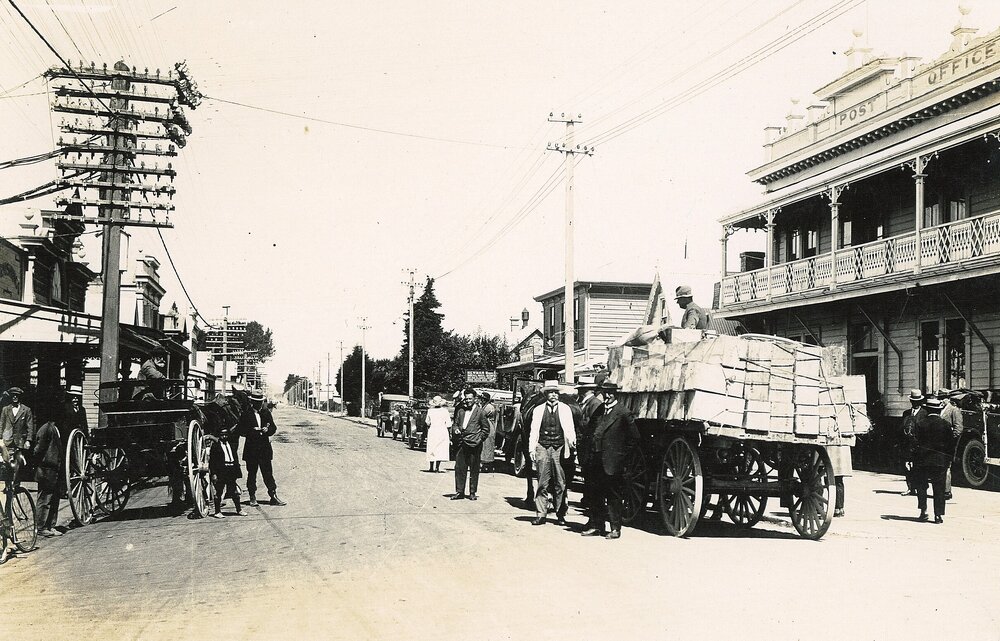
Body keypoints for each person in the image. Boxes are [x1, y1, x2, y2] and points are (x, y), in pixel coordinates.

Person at [584, 381, 638, 539]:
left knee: (613, 496)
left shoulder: (623, 413)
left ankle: (615, 528)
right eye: (605, 393)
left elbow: (634, 439)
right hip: (596, 460)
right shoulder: (599, 410)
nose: (607, 396)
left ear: (616, 394)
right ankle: (597, 525)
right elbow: (591, 432)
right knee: (595, 493)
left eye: (610, 393)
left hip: (613, 463)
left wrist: (621, 458)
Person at [528, 380, 576, 526]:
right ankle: (541, 514)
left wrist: (572, 442)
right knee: (542, 482)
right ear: (546, 394)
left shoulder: (565, 409)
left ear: (559, 394)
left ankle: (560, 514)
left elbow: (570, 428)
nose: (553, 395)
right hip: (543, 446)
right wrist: (532, 448)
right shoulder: (538, 410)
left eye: (555, 392)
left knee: (560, 483)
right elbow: (534, 430)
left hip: (559, 447)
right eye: (550, 392)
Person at [238, 389, 286, 507]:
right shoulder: (246, 414)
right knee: (252, 474)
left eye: (260, 401)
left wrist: (267, 430)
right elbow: (241, 431)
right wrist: (252, 431)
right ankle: (252, 497)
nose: (259, 404)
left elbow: (273, 428)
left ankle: (273, 496)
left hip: (264, 449)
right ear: (252, 402)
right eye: (256, 402)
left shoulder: (266, 413)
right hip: (251, 449)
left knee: (268, 473)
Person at [913, 397, 956, 524]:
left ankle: (923, 512)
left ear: (927, 409)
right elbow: (950, 445)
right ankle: (938, 515)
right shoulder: (946, 425)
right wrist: (948, 460)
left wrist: (914, 459)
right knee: (939, 488)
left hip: (922, 461)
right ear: (938, 410)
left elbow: (916, 443)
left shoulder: (920, 424)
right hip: (939, 462)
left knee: (922, 487)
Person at [576, 376, 604, 530]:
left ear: (584, 390)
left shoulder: (595, 404)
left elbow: (593, 429)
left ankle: (595, 522)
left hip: (591, 451)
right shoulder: (587, 403)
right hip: (585, 450)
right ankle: (592, 520)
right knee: (588, 484)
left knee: (592, 486)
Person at [451, 388, 489, 500]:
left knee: (474, 468)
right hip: (461, 443)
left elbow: (486, 429)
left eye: (470, 399)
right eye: (466, 399)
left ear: (475, 399)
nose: (468, 401)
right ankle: (459, 492)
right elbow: (455, 424)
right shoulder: (461, 411)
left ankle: (472, 492)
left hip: (474, 444)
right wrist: (456, 429)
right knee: (459, 468)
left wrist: (479, 439)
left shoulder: (480, 412)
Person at [32, 419, 63, 537]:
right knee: (45, 499)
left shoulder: (57, 428)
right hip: (46, 469)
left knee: (54, 498)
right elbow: (38, 449)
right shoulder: (46, 428)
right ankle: (41, 527)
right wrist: (39, 464)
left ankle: (51, 525)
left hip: (55, 469)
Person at [208, 425, 246, 518]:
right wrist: (213, 474)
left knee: (234, 491)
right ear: (219, 436)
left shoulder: (231, 445)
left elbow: (235, 458)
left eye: (226, 435)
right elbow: (212, 462)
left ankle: (239, 509)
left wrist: (237, 471)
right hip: (222, 470)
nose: (224, 437)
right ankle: (217, 512)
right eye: (222, 435)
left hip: (231, 470)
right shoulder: (216, 447)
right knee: (219, 491)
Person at [1, 387, 35, 481]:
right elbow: (1, 424)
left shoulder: (26, 410)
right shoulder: (5, 409)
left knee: (18, 464)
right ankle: (8, 484)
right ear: (10, 397)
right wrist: (0, 438)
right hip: (7, 441)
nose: (15, 397)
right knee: (7, 464)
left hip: (20, 441)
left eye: (17, 395)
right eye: (13, 395)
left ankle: (15, 485)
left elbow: (30, 426)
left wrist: (28, 440)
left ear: (20, 397)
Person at [937, 389, 964, 501]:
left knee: (947, 466)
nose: (941, 401)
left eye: (943, 398)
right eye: (939, 398)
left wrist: (951, 440)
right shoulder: (939, 410)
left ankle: (947, 492)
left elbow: (958, 428)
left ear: (948, 399)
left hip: (948, 443)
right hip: (938, 443)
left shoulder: (954, 410)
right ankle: (941, 490)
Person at [899, 389, 926, 496]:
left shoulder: (924, 413)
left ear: (920, 402)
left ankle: (919, 488)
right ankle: (910, 487)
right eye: (913, 401)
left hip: (919, 444)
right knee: (907, 467)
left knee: (918, 467)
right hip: (907, 444)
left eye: (917, 401)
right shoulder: (906, 413)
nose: (915, 403)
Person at [424, 395, 451, 473]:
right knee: (440, 448)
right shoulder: (445, 411)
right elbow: (448, 424)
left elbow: (427, 422)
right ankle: (437, 467)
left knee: (432, 447)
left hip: (433, 430)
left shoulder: (430, 411)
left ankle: (431, 467)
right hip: (442, 430)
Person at [479, 392, 497, 473]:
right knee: (486, 446)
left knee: (487, 446)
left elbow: (481, 414)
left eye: (482, 399)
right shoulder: (486, 406)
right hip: (488, 426)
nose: (481, 400)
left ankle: (486, 464)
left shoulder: (488, 407)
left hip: (488, 426)